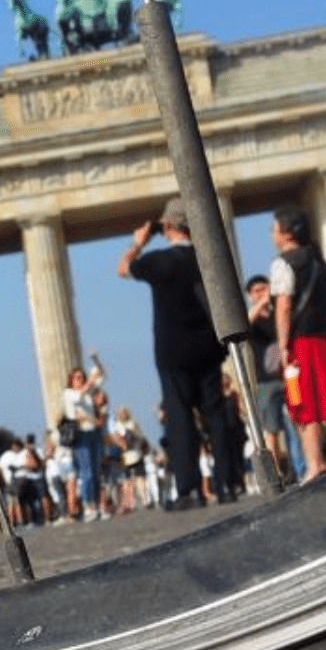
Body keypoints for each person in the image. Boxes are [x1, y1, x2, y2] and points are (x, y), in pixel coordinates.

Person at [118, 198, 234, 508]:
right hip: (209, 346)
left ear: (167, 226)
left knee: (180, 416)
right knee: (215, 413)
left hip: (172, 349)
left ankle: (189, 489)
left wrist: (138, 242)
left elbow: (122, 269)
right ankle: (227, 484)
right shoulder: (207, 258)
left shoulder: (158, 261)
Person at [271, 206, 326, 481]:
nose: (272, 234)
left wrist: (283, 345)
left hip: (302, 344)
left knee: (304, 404)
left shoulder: (283, 264)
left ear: (286, 234)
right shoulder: (321, 263)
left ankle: (315, 463)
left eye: (274, 229)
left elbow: (284, 307)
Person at [244, 274, 296, 484]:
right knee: (271, 430)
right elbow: (245, 323)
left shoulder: (278, 314)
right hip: (265, 382)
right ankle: (276, 474)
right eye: (256, 291)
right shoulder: (252, 318)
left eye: (264, 289)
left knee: (296, 423)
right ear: (250, 295)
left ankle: (298, 468)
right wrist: (263, 302)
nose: (261, 293)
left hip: (287, 377)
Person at [59, 363, 107, 519]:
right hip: (80, 435)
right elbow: (79, 396)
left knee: (96, 472)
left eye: (82, 377)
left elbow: (102, 377)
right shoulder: (68, 393)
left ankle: (97, 504)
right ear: (71, 380)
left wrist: (95, 361)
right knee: (86, 472)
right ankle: (88, 506)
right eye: (77, 377)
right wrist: (91, 381)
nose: (80, 380)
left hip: (93, 432)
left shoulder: (88, 392)